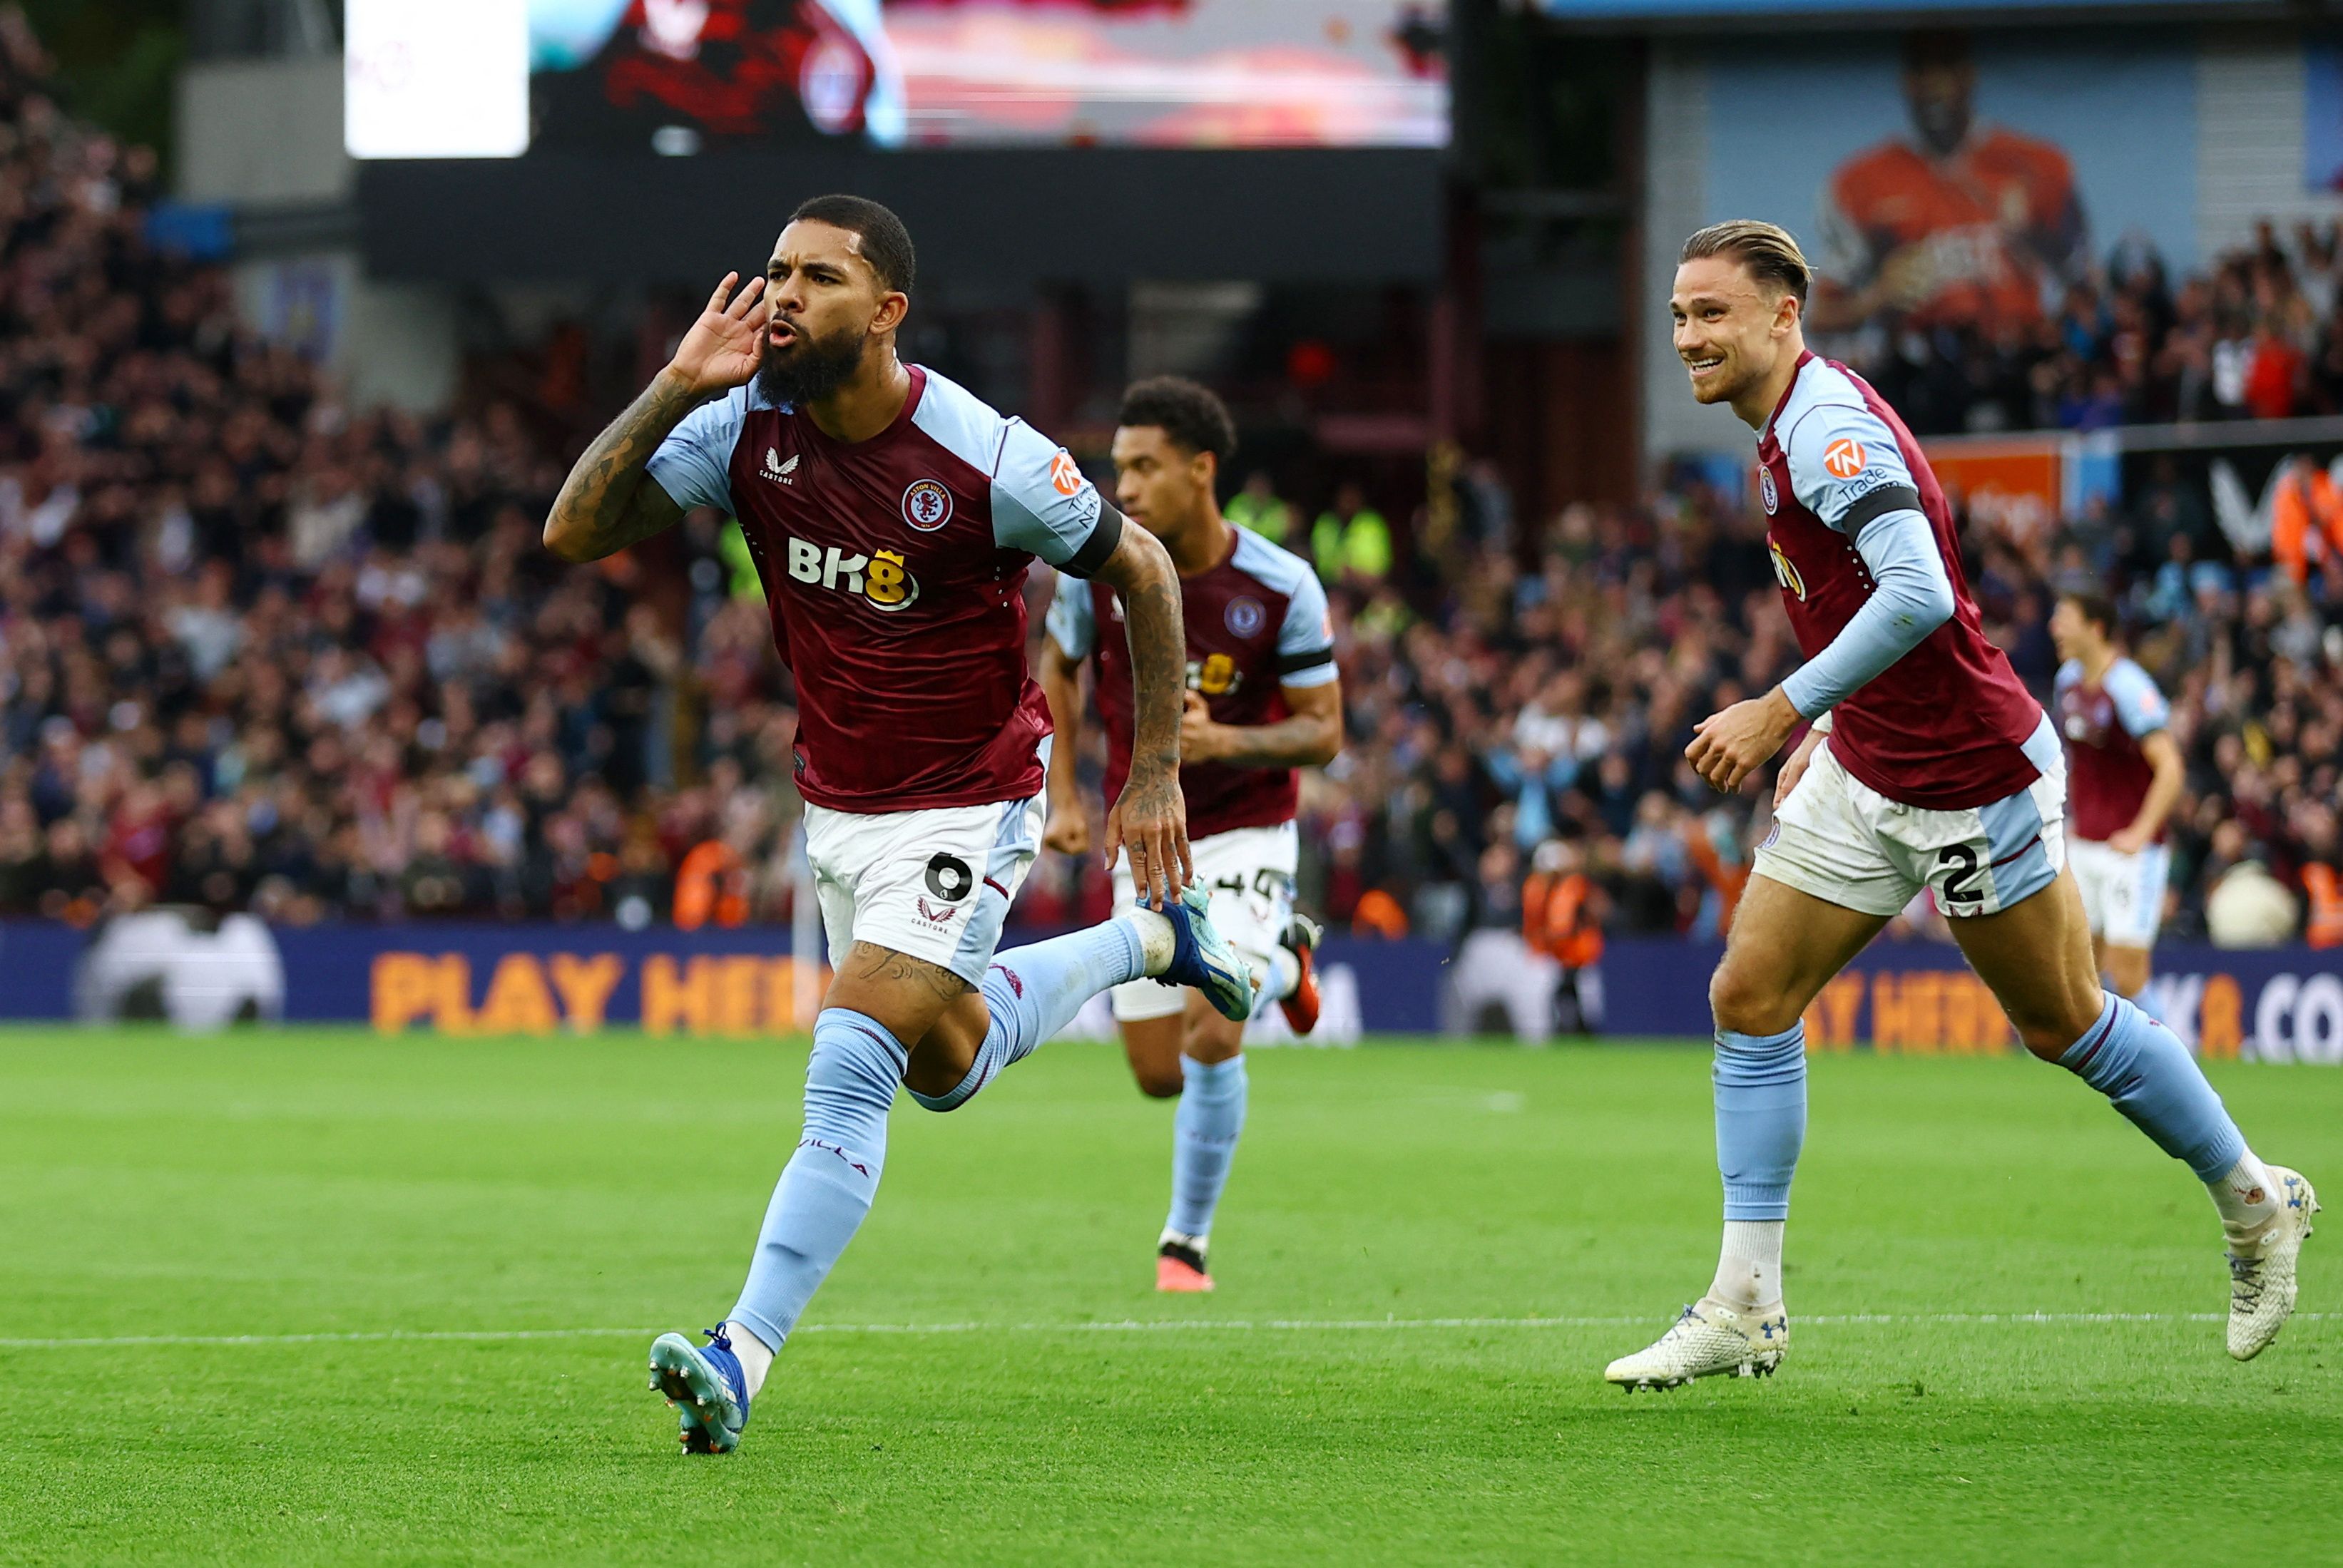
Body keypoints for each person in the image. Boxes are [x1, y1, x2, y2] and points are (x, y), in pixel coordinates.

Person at [543, 195, 1256, 1453]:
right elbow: (574, 529)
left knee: (852, 1061)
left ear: (887, 312)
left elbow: (1140, 565)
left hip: (974, 790)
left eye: (818, 276)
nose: (783, 295)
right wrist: (671, 382)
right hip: (840, 803)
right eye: (773, 272)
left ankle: (738, 1355)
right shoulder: (740, 424)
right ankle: (1152, 940)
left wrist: (1154, 774)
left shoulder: (985, 453)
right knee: (948, 1060)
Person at [1605, 220, 2316, 1391]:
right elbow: (1863, 608)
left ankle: (2252, 1200)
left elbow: (1922, 593)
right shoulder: (1787, 422)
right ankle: (1743, 1302)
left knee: (2065, 1022)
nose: (1691, 335)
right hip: (1871, 760)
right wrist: (1835, 723)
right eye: (1680, 314)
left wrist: (1785, 708)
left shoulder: (1826, 430)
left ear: (1786, 315)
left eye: (1713, 312)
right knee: (1751, 991)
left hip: (1970, 778)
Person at [1040, 376, 1342, 1292]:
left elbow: (1324, 731)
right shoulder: (1094, 573)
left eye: (1143, 467)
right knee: (1159, 1073)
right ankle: (1288, 962)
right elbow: (1057, 669)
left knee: (1215, 1032)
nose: (1120, 489)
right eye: (1117, 467)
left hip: (1248, 828)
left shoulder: (1280, 583)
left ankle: (1185, 1245)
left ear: (1201, 470)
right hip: (1147, 840)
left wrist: (1227, 740)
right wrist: (1063, 795)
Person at [1809, 30, 2086, 336]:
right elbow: (1819, 318)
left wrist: (2036, 239)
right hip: (1922, 368)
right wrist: (1876, 299)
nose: (1934, 86)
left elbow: (2086, 289)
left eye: (1946, 70)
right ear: (1906, 83)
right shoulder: (1860, 183)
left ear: (1969, 76)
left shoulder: (2035, 166)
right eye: (1921, 72)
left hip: (2022, 358)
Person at [2049, 590, 2185, 1014]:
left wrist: (2142, 832)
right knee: (2084, 967)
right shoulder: (2067, 681)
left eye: (2065, 617)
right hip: (2085, 841)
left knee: (2127, 973)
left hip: (2129, 850)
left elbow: (2171, 767)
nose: (2056, 627)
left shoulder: (2128, 686)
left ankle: (2176, 1070)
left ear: (2096, 627)